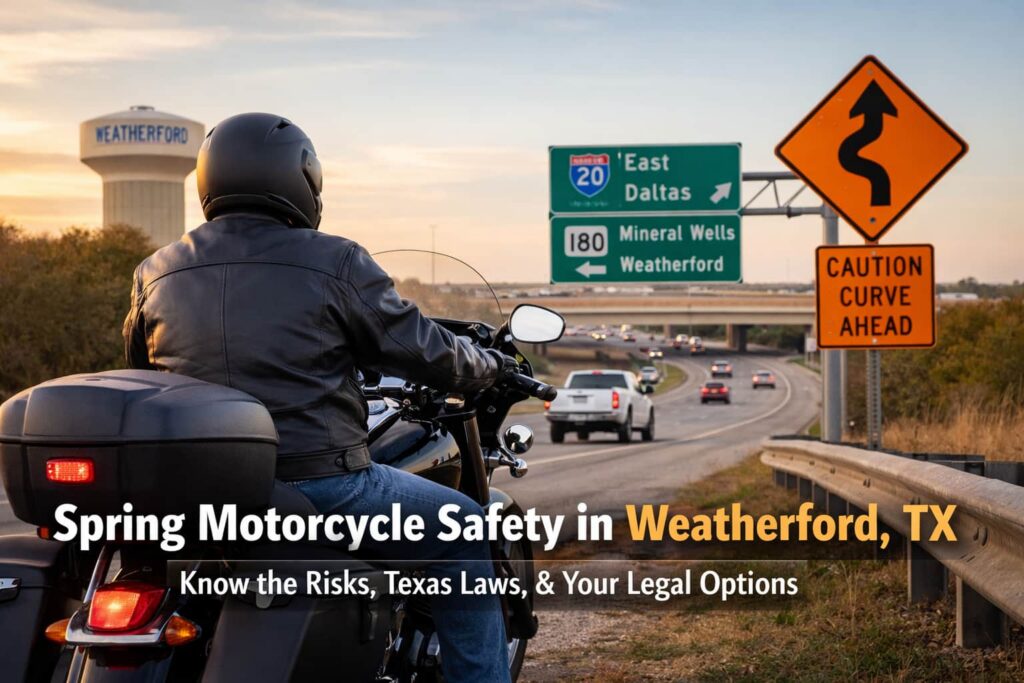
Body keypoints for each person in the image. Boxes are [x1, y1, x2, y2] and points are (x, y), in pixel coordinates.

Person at [122, 113, 517, 682]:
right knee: (465, 532)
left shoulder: (154, 272)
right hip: (321, 484)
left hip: (197, 492)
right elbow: (424, 350)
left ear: (208, 182)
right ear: (302, 182)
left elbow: (143, 375)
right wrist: (489, 366)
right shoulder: (335, 261)